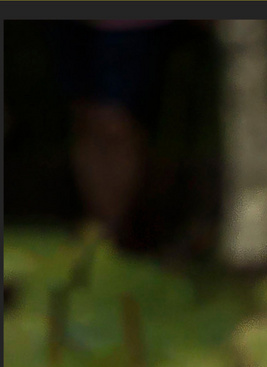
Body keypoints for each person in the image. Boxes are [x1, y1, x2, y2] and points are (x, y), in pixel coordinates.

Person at [48, 20, 174, 250]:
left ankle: (115, 232)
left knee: (115, 122)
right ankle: (99, 230)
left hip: (130, 23)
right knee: (85, 118)